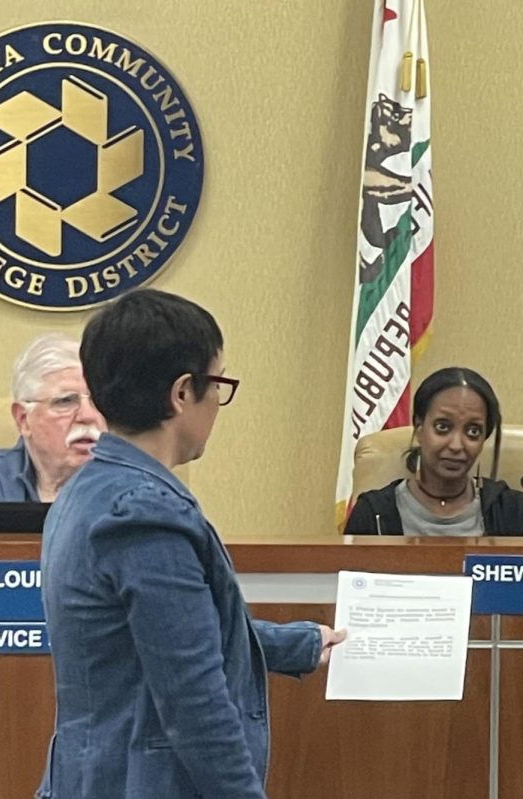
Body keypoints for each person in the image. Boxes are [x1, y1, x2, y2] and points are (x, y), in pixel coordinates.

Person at [36, 289, 346, 799]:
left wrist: (303, 643)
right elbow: (194, 701)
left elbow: (165, 637)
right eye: (218, 384)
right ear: (182, 393)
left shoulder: (87, 491)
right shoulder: (145, 515)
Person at [344, 366, 523, 536]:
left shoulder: (514, 512)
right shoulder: (371, 514)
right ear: (419, 429)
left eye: (472, 431)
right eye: (443, 427)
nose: (456, 445)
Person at [0, 332, 105, 502]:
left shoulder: (130, 479)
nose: (88, 416)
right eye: (65, 401)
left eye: (97, 400)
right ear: (23, 420)